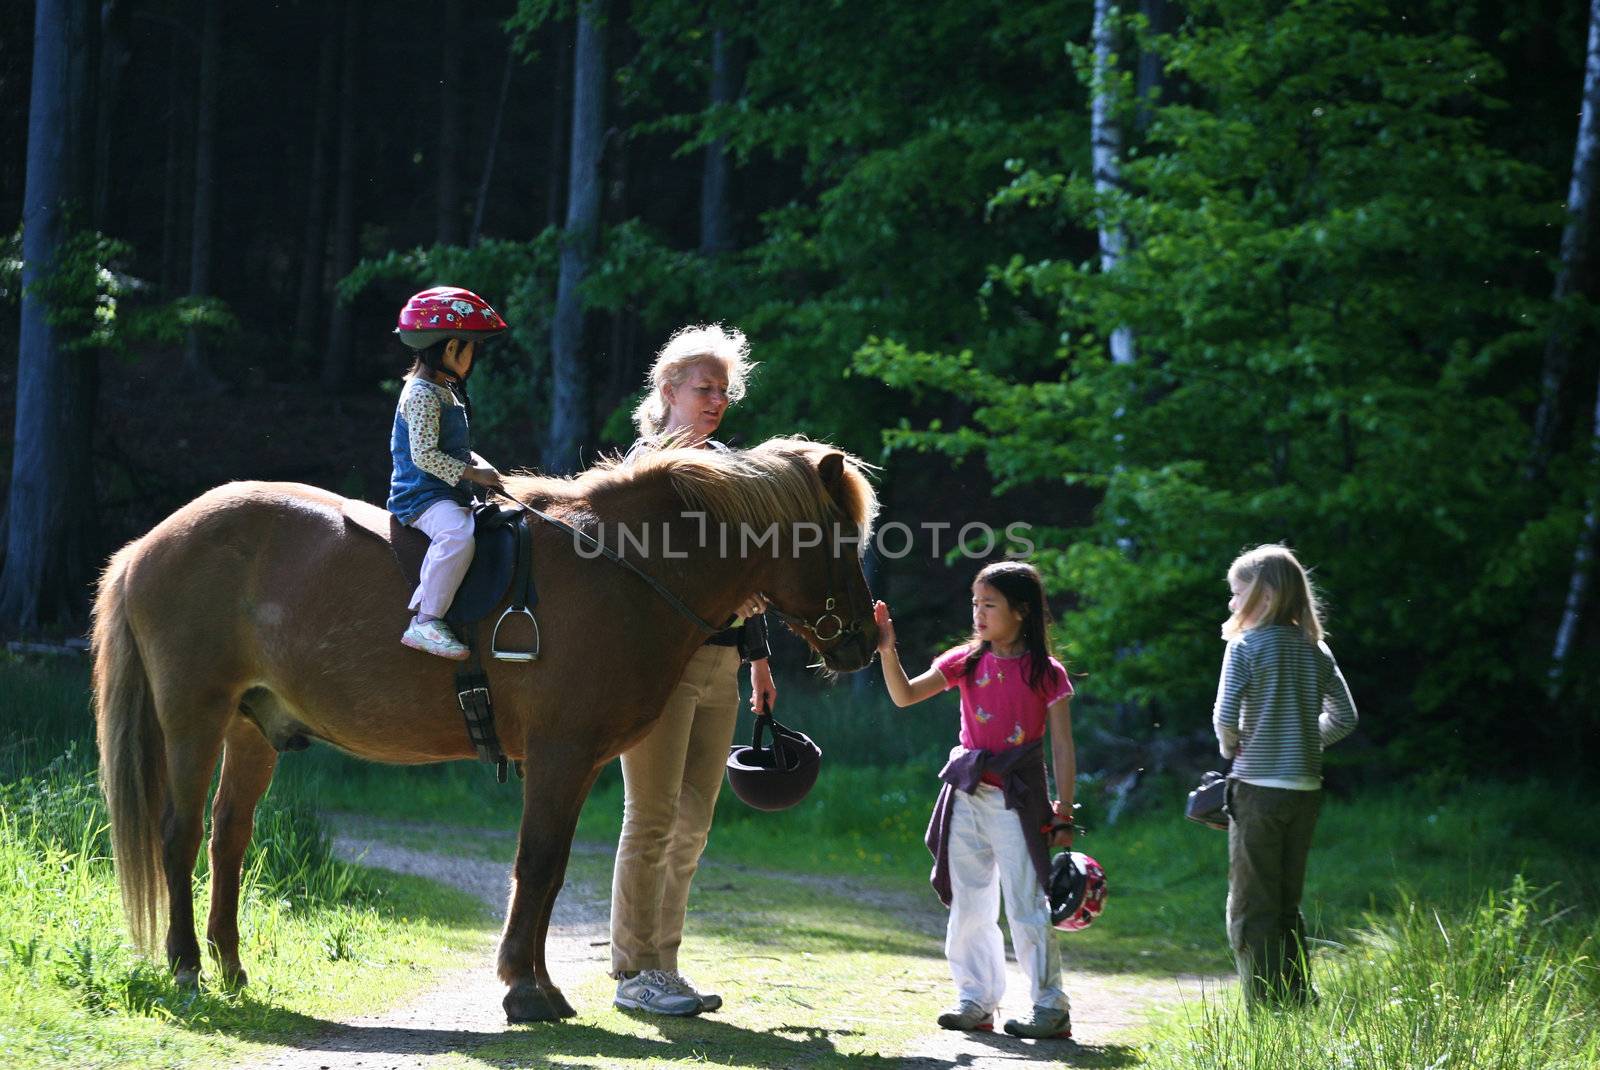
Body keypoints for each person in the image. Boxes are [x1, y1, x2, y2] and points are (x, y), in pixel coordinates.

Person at [609, 324, 777, 1017]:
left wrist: (760, 657)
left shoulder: (732, 470)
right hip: (659, 667)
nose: (717, 400)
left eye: (724, 391)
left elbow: (752, 572)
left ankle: (665, 967)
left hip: (725, 663)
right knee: (649, 818)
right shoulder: (638, 474)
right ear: (668, 390)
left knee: (695, 823)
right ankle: (632, 973)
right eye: (704, 388)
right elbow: (627, 576)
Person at [874, 560, 1077, 1041]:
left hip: (1020, 799)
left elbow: (1063, 747)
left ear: (1021, 612)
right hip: (966, 794)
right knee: (969, 904)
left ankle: (1050, 1006)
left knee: (1026, 902)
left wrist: (1064, 812)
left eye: (990, 605)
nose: (979, 614)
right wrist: (888, 649)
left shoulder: (1046, 673)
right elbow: (903, 696)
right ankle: (976, 1000)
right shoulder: (964, 661)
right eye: (975, 604)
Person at [1212, 544, 1358, 1008]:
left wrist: (1234, 747)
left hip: (1257, 791)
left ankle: (1265, 1010)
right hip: (1305, 793)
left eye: (1238, 594)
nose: (1232, 604)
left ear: (1266, 596)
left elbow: (1225, 715)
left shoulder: (1246, 646)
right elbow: (1346, 717)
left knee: (1251, 906)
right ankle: (1298, 998)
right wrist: (1302, 742)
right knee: (1285, 903)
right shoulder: (1315, 649)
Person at [386, 286, 509, 661]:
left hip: (446, 490)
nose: (473, 357)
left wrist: (482, 466)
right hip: (421, 495)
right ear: (450, 347)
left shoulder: (444, 390)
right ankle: (426, 620)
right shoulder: (422, 393)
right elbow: (425, 456)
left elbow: (451, 447)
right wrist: (473, 475)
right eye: (470, 347)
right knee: (457, 535)